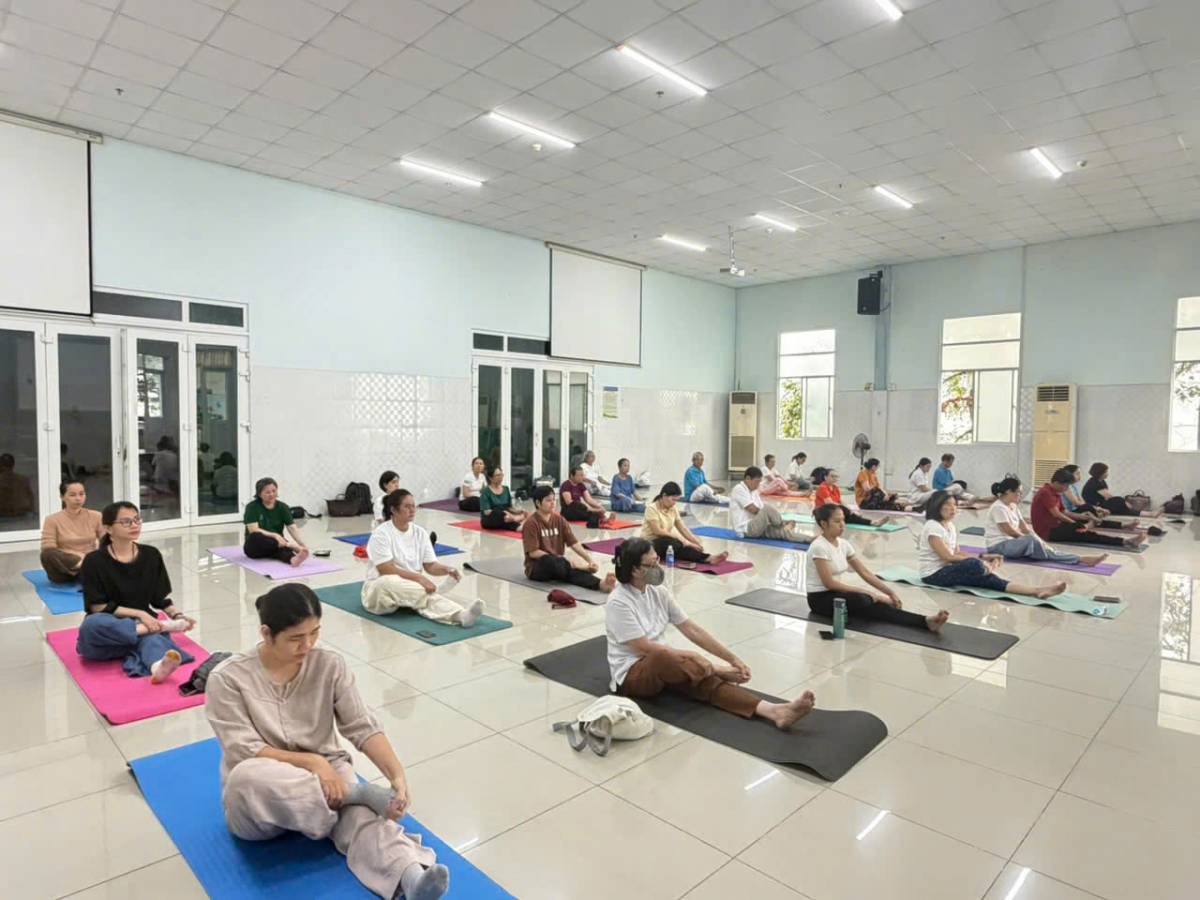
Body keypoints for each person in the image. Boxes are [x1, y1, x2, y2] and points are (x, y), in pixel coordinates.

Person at [206, 584, 450, 900]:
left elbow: (361, 725)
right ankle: (354, 795)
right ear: (267, 634)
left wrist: (396, 775)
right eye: (296, 638)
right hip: (266, 795)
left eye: (315, 633)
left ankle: (412, 878)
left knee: (362, 819)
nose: (307, 645)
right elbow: (244, 749)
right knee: (245, 779)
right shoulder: (227, 678)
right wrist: (314, 763)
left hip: (331, 779)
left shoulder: (330, 665)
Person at [607, 538, 815, 728]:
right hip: (633, 675)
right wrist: (708, 663)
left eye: (657, 560)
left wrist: (732, 658)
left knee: (701, 682)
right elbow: (643, 648)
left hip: (666, 665)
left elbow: (692, 629)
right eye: (652, 564)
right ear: (635, 570)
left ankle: (774, 711)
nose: (658, 567)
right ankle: (715, 671)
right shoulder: (619, 601)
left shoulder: (658, 592)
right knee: (665, 655)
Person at [77, 501, 196, 681]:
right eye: (126, 522)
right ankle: (154, 631)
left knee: (151, 637)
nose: (134, 525)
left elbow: (159, 598)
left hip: (145, 626)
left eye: (137, 520)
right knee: (92, 625)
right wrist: (141, 615)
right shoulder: (94, 561)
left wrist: (178, 615)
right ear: (108, 528)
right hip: (110, 629)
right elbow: (97, 607)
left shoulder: (151, 555)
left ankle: (157, 666)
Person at [808, 504, 949, 632]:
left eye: (843, 520)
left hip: (836, 594)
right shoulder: (819, 547)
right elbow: (829, 583)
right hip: (819, 600)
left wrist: (890, 593)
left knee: (876, 607)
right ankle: (877, 601)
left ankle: (925, 621)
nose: (842, 525)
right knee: (864, 599)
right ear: (824, 524)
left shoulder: (844, 544)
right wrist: (870, 593)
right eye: (837, 521)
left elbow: (865, 573)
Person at [363, 490, 482, 627]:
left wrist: (447, 569)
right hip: (379, 592)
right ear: (393, 510)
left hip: (410, 587)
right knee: (387, 582)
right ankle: (437, 593)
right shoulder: (381, 534)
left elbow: (430, 566)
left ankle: (460, 615)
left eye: (413, 506)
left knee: (423, 597)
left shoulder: (420, 533)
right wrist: (419, 578)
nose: (412, 510)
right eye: (407, 506)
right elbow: (385, 569)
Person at [919, 491, 1066, 597]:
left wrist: (983, 557)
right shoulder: (933, 527)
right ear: (936, 506)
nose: (953, 508)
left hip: (949, 569)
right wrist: (980, 562)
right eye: (947, 505)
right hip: (934, 575)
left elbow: (957, 553)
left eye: (954, 505)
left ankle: (1037, 591)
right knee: (975, 566)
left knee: (990, 580)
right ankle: (984, 569)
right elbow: (948, 557)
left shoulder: (950, 526)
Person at [986, 477, 1107, 566]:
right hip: (998, 547)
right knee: (1035, 542)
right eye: (1018, 492)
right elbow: (1010, 531)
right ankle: (1079, 559)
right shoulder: (998, 508)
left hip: (1013, 544)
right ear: (1008, 491)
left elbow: (1024, 527)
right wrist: (1030, 540)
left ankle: (1079, 559)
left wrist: (1037, 540)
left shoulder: (1013, 505)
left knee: (1037, 542)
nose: (1021, 495)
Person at [522, 485, 616, 593]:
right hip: (538, 567)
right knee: (552, 561)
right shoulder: (531, 523)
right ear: (538, 503)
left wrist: (589, 560)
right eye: (548, 500)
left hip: (560, 565)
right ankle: (577, 567)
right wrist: (561, 560)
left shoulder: (559, 520)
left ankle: (600, 584)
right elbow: (533, 553)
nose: (553, 503)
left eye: (554, 500)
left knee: (568, 571)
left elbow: (573, 543)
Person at [1031, 469, 1146, 550]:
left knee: (1089, 519)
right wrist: (1077, 524)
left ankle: (1122, 526)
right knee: (1085, 533)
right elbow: (1057, 514)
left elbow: (1064, 512)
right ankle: (1125, 541)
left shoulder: (1055, 492)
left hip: (1057, 525)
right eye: (1065, 486)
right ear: (1056, 482)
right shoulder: (1046, 493)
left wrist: (1082, 517)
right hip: (1048, 532)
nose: (1066, 488)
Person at [641, 481, 729, 566]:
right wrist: (685, 542)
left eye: (676, 500)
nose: (674, 503)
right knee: (674, 542)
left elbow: (683, 528)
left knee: (682, 547)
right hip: (650, 544)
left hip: (667, 543)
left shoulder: (673, 509)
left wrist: (696, 542)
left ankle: (708, 558)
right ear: (664, 496)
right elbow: (658, 531)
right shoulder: (651, 508)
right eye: (673, 499)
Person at [40, 480, 104, 583]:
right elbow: (48, 547)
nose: (78, 498)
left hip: (91, 561)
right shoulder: (51, 520)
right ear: (62, 497)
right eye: (72, 495)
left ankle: (88, 572)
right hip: (64, 568)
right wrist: (79, 559)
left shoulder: (96, 516)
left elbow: (106, 540)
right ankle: (86, 570)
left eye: (81, 494)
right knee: (47, 554)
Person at [729, 467, 813, 543]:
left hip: (758, 525)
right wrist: (770, 518)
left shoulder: (754, 491)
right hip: (746, 529)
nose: (758, 485)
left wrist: (768, 520)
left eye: (759, 482)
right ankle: (782, 524)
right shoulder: (739, 489)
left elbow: (760, 508)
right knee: (766, 509)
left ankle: (809, 539)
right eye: (756, 482)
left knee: (782, 533)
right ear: (748, 478)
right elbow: (753, 509)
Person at [244, 477, 310, 567]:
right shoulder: (252, 507)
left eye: (274, 491)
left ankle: (292, 559)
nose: (271, 494)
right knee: (256, 536)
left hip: (277, 544)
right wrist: (275, 535)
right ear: (259, 494)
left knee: (280, 549)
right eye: (267, 492)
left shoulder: (283, 507)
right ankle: (288, 545)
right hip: (255, 547)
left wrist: (302, 545)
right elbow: (253, 530)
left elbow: (292, 527)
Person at [1083, 462, 1160, 518]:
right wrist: (1124, 502)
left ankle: (1150, 514)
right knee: (1118, 500)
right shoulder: (1094, 482)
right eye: (1106, 472)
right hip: (1095, 505)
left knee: (1122, 508)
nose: (1107, 473)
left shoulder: (1101, 481)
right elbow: (1109, 497)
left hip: (1101, 503)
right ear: (1100, 473)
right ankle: (1149, 514)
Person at [813, 469, 882, 527]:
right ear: (825, 477)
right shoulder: (823, 488)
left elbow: (840, 501)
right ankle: (872, 522)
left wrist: (850, 509)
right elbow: (829, 504)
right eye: (832, 476)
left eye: (836, 477)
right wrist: (846, 510)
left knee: (850, 517)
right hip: (823, 513)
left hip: (832, 512)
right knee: (845, 512)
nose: (834, 478)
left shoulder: (835, 487)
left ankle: (872, 522)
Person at [479, 466, 528, 531]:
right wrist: (503, 513)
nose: (500, 477)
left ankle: (518, 526)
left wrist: (519, 511)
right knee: (499, 512)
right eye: (497, 475)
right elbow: (487, 512)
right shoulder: (485, 491)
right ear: (490, 478)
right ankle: (516, 519)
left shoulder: (506, 489)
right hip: (491, 518)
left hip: (506, 518)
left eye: (501, 475)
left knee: (506, 518)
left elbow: (509, 507)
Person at [0, 452, 34, 518]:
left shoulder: (2, 480)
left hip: (4, 516)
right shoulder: (23, 480)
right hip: (21, 516)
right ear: (13, 465)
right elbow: (31, 499)